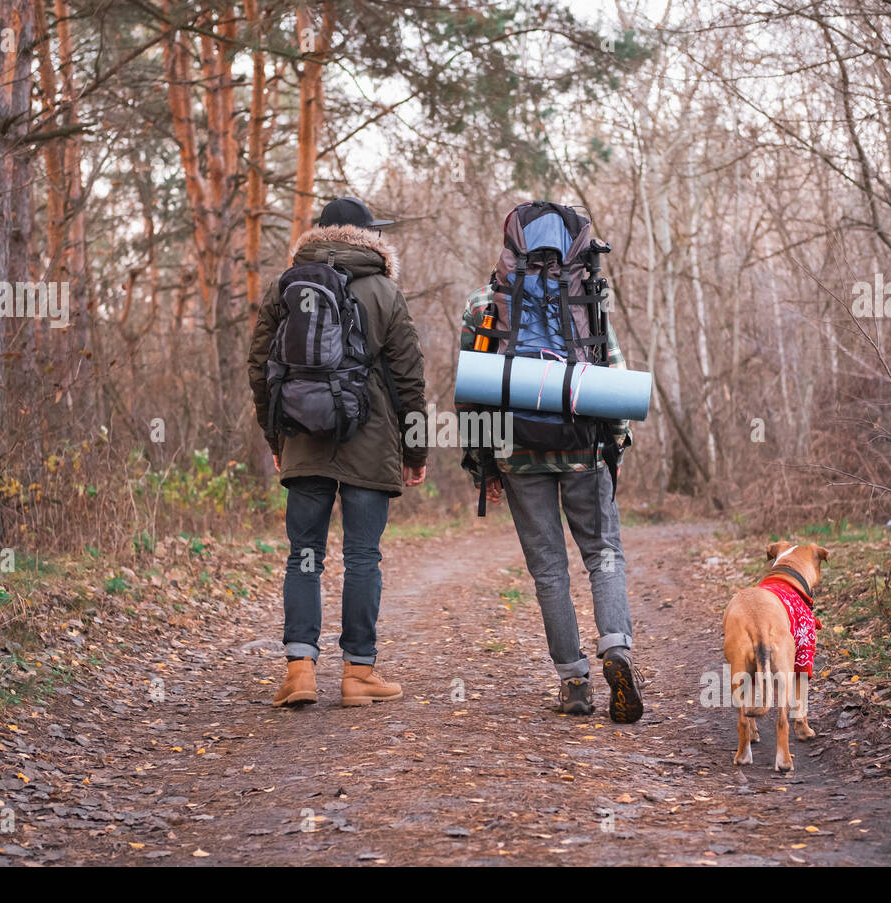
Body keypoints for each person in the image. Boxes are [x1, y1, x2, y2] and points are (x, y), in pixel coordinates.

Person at [458, 204, 642, 723]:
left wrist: (482, 467)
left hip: (517, 451)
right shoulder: (587, 293)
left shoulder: (484, 302)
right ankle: (617, 651)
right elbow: (611, 366)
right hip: (585, 445)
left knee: (548, 569)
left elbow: (471, 393)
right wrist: (617, 445)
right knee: (603, 554)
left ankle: (574, 682)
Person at [248, 197, 427, 708]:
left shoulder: (286, 286)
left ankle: (300, 670)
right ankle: (357, 674)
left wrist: (275, 437)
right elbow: (410, 378)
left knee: (304, 555)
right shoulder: (385, 290)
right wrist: (415, 450)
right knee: (362, 556)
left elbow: (259, 368)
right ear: (370, 239)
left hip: (302, 438)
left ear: (320, 234)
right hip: (369, 446)